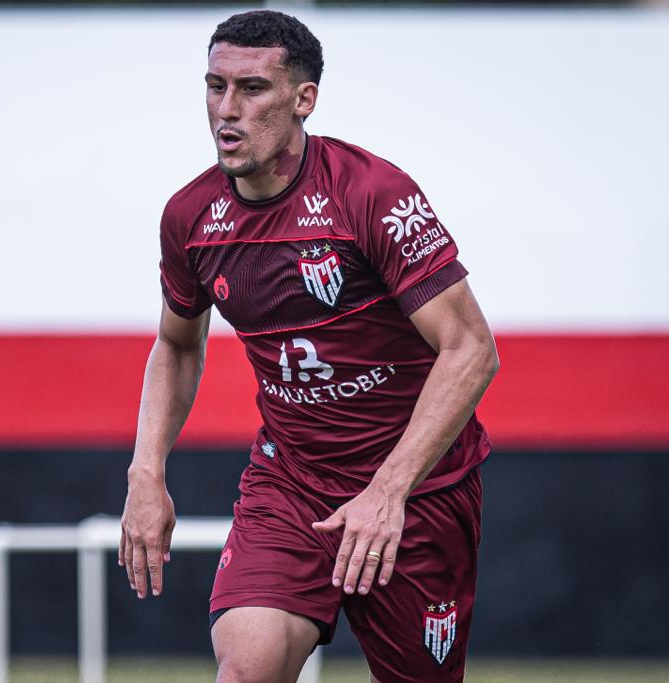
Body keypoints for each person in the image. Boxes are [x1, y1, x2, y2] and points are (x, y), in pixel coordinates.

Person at [118, 10, 499, 683]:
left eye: (252, 89)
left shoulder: (371, 194)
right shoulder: (190, 217)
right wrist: (145, 473)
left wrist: (388, 491)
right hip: (290, 483)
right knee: (248, 669)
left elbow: (470, 350)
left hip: (418, 490)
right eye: (215, 86)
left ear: (303, 99)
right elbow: (177, 346)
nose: (226, 110)